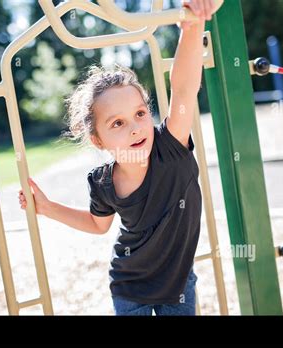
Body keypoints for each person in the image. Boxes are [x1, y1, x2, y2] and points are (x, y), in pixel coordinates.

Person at [19, 0, 216, 315]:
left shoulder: (170, 147)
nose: (136, 128)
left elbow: (183, 89)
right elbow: (98, 225)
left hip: (178, 283)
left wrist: (192, 28)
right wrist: (46, 208)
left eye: (139, 114)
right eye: (118, 123)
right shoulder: (102, 182)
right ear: (98, 140)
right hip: (129, 284)